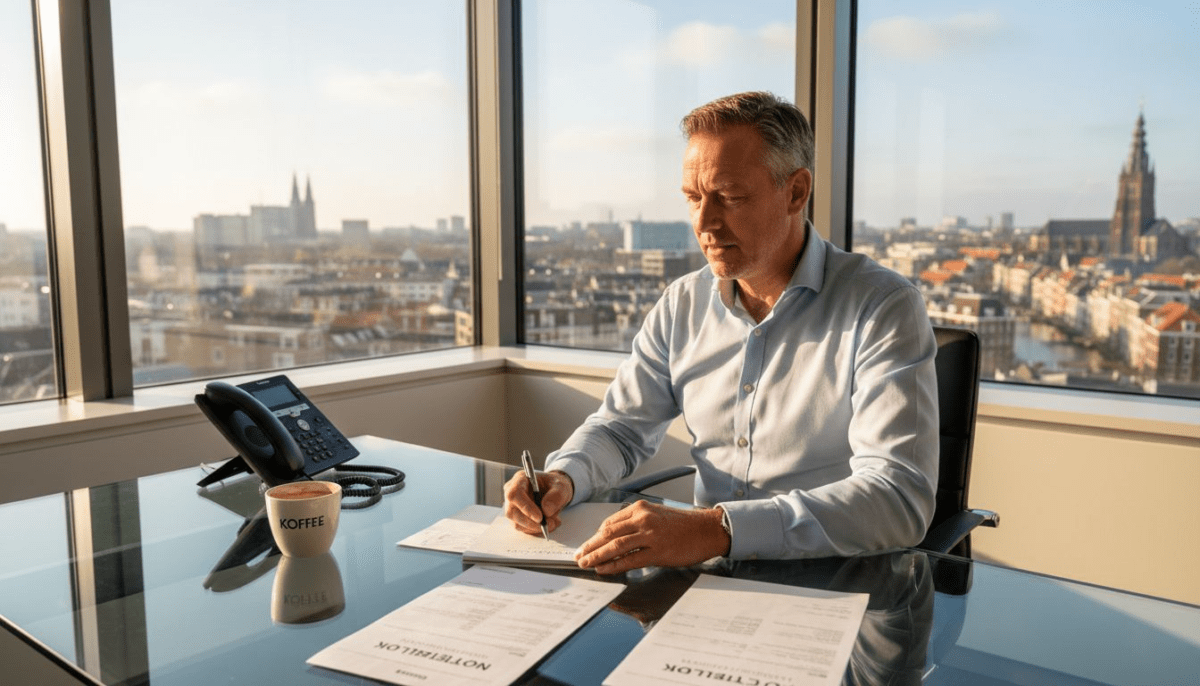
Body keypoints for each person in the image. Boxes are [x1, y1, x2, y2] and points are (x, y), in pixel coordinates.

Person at [504, 91, 938, 574]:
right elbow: (622, 429)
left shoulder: (881, 306)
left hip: (834, 584)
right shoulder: (683, 303)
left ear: (796, 192)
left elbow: (898, 497)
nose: (704, 223)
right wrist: (567, 474)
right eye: (693, 198)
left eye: (730, 197)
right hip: (707, 583)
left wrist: (720, 529)